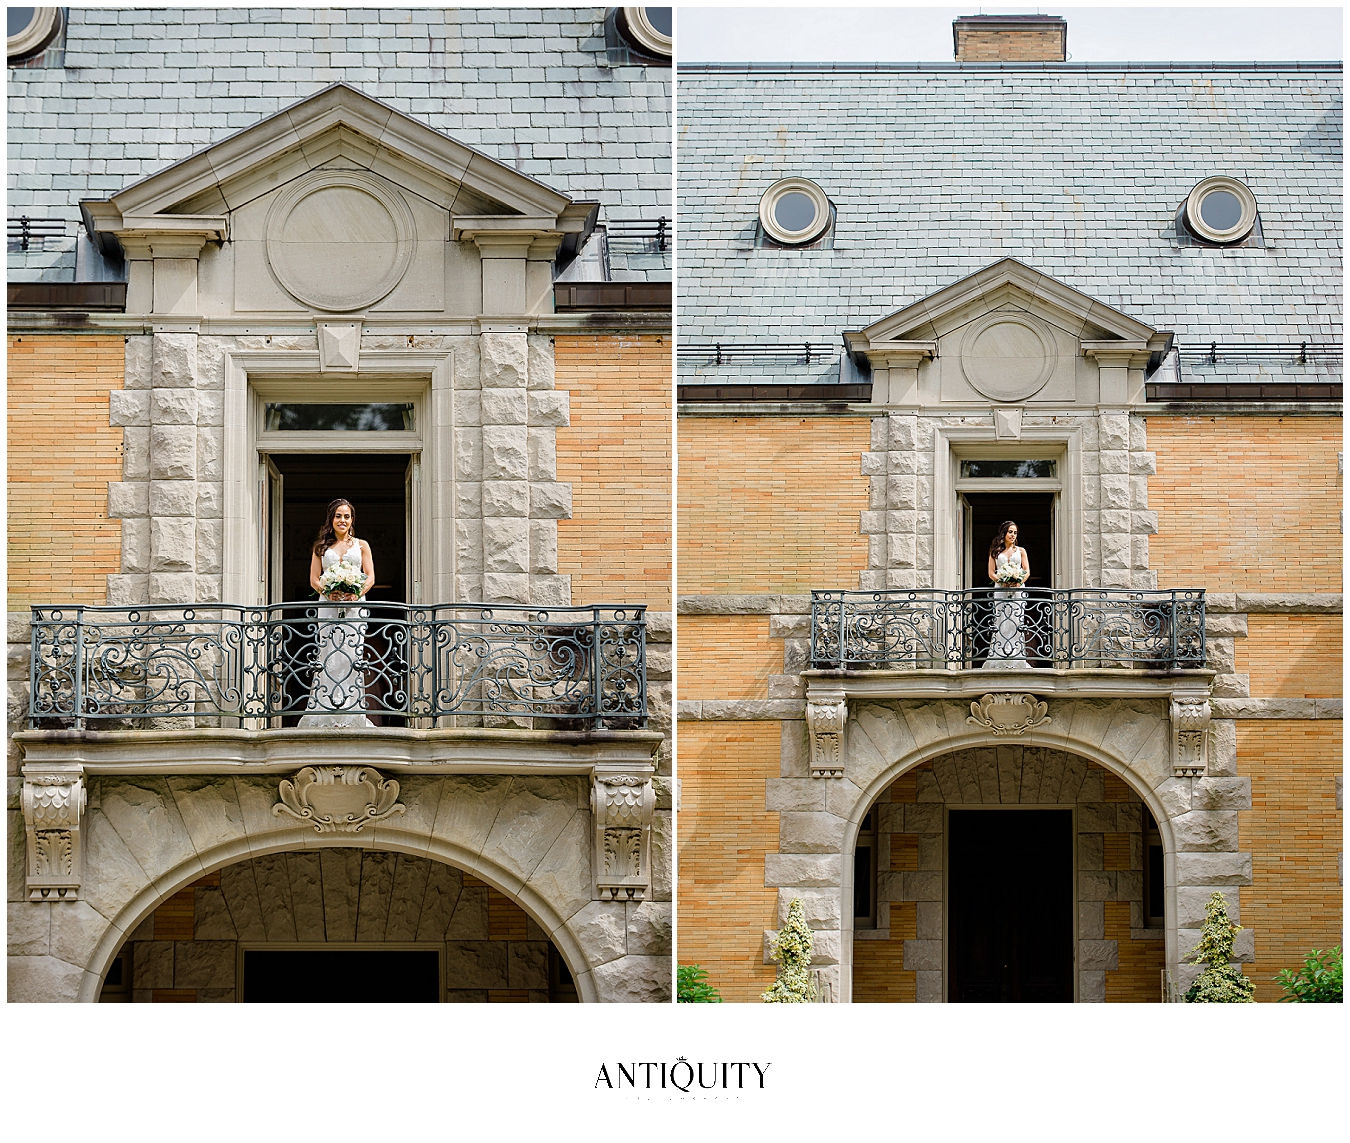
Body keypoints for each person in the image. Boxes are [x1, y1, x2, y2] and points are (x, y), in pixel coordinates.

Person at [299, 499, 376, 727]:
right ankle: (325, 712)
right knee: (329, 656)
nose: (343, 521)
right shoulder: (320, 548)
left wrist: (357, 592)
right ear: (331, 519)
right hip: (328, 608)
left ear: (352, 520)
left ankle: (352, 714)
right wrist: (328, 592)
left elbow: (370, 576)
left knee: (352, 656)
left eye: (347, 516)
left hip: (354, 607)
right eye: (338, 516)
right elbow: (313, 579)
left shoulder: (362, 545)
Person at [984, 519, 1031, 669]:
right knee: (1001, 622)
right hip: (1000, 591)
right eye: (1010, 532)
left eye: (1015, 533)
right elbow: (991, 573)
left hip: (1017, 590)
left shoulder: (1021, 551)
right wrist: (1003, 581)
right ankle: (999, 658)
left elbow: (1027, 571)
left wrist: (1018, 580)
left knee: (1017, 621)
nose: (1012, 535)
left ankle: (1017, 658)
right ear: (1004, 533)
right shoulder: (995, 552)